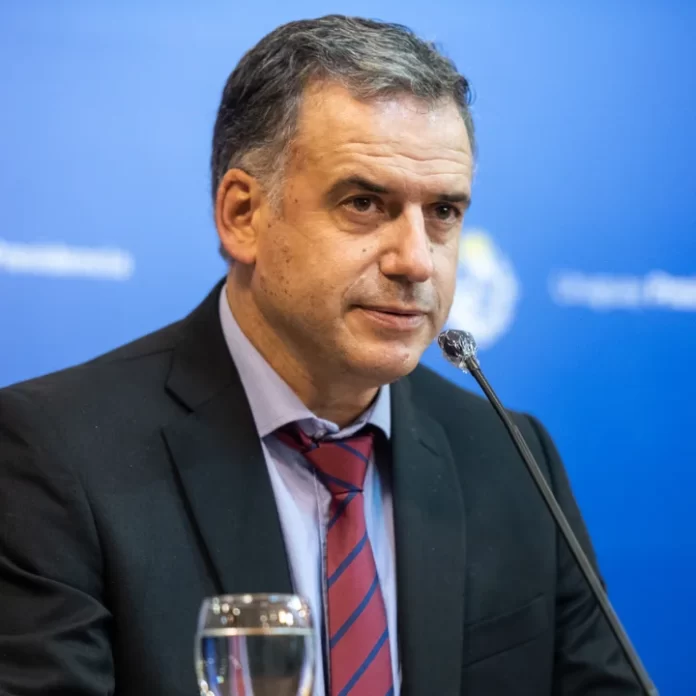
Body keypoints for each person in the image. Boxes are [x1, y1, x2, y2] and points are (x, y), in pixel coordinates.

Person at [0, 15, 645, 696]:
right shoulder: (56, 455)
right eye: (364, 203)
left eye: (443, 213)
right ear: (243, 214)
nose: (416, 261)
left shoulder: (511, 457)